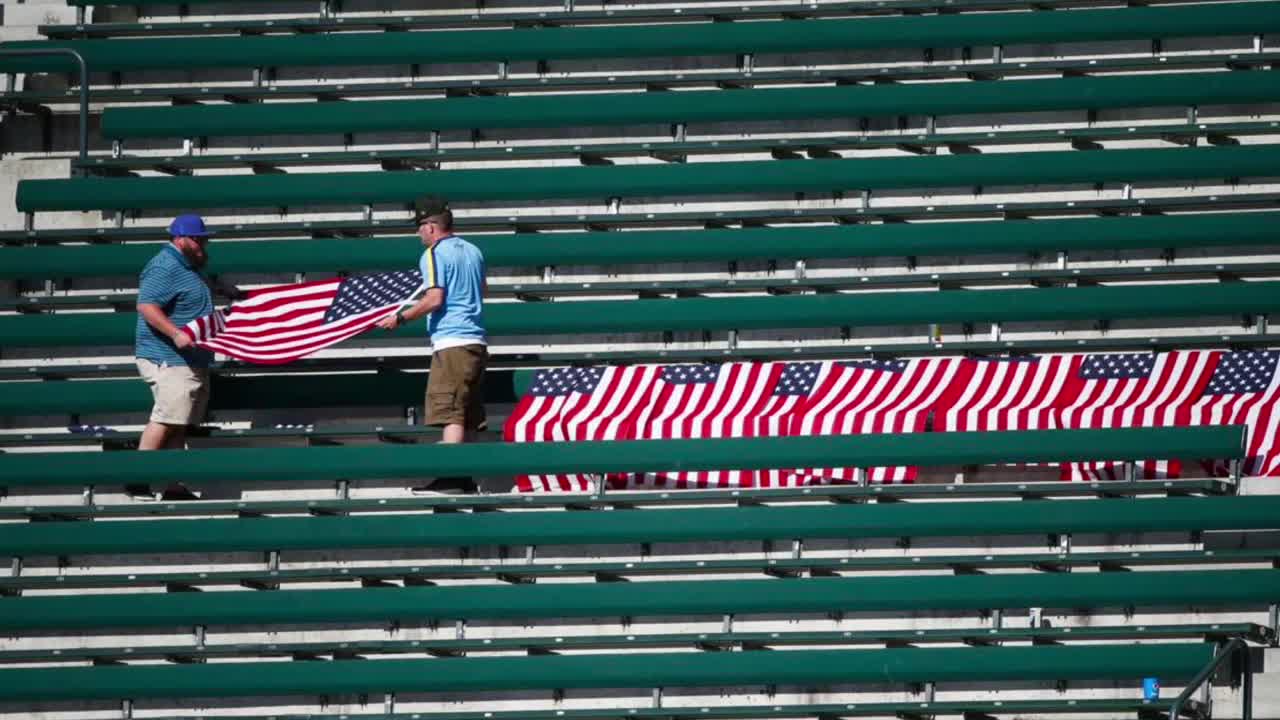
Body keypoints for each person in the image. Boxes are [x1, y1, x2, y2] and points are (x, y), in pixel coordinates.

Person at [377, 196, 487, 488]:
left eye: (419, 226)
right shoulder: (474, 251)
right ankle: (466, 476)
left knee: (450, 412)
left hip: (452, 342)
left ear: (431, 226)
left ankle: (452, 476)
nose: (417, 234)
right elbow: (481, 289)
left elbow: (435, 298)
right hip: (476, 341)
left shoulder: (434, 254)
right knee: (468, 414)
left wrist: (400, 318)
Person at [132, 213, 239, 499]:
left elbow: (189, 290)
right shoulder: (164, 265)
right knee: (166, 419)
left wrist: (222, 290)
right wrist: (175, 333)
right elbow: (147, 306)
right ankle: (135, 478)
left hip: (190, 359)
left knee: (178, 422)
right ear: (181, 239)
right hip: (169, 357)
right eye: (198, 239)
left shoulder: (188, 265)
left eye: (204, 239)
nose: (204, 244)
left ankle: (172, 485)